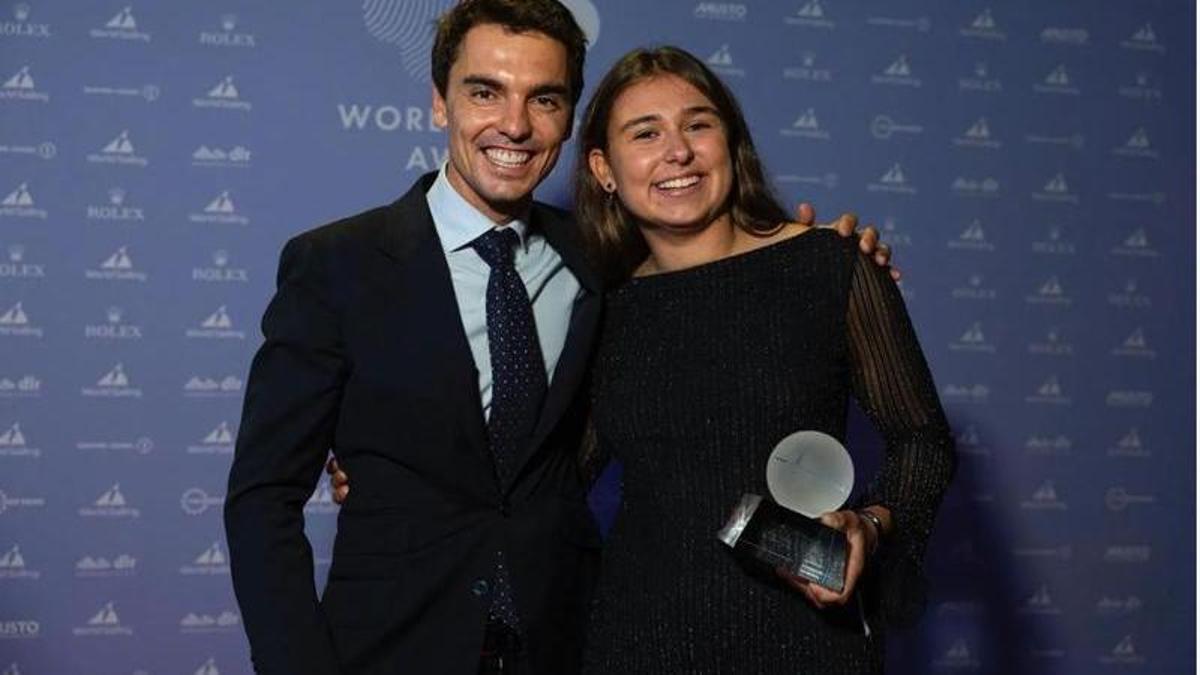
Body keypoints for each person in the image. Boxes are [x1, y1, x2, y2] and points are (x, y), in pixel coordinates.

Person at [226, 1, 892, 673]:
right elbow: (264, 498)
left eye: (543, 99)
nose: (514, 124)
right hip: (390, 647)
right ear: (438, 103)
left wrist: (829, 253)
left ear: (570, 118)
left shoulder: (602, 262)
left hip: (569, 643)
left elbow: (713, 288)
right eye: (485, 91)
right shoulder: (337, 264)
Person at [571, 47, 956, 673]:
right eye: (645, 133)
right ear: (603, 168)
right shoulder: (601, 315)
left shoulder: (830, 264)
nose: (677, 152)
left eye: (698, 124)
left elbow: (923, 441)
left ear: (731, 142)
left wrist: (871, 524)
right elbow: (549, 484)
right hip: (638, 642)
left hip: (806, 640)